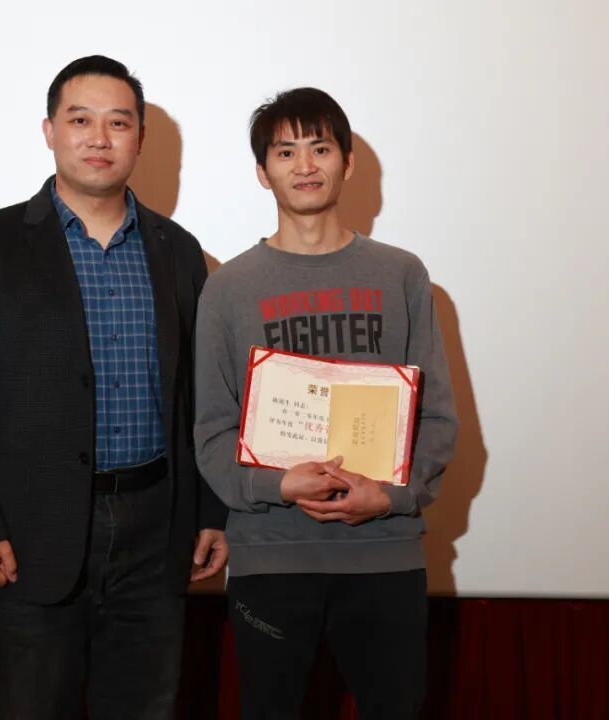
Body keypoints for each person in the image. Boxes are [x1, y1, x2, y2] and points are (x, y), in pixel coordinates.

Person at [0, 55, 228, 720]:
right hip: (30, 532)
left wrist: (211, 513)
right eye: (80, 120)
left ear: (140, 138)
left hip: (156, 531)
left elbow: (201, 397)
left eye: (118, 122)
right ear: (49, 131)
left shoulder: (177, 250)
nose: (99, 137)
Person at [193, 87, 458, 719]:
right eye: (285, 152)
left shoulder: (401, 274)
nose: (305, 165)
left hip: (384, 553)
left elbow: (437, 416)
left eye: (320, 148)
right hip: (270, 557)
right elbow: (212, 430)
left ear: (348, 162)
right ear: (263, 172)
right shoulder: (228, 288)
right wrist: (279, 484)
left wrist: (389, 497)